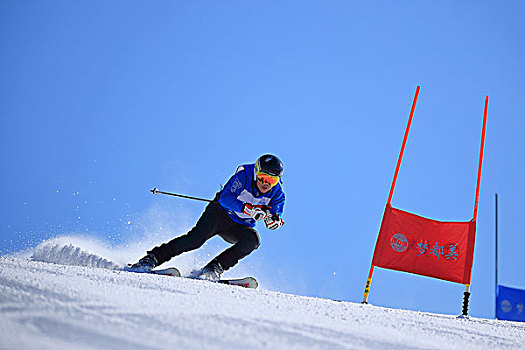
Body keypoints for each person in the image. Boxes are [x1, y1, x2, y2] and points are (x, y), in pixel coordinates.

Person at [126, 154, 285, 281]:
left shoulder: (277, 193)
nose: (266, 183)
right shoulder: (243, 176)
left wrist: (274, 221)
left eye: (272, 180)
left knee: (253, 240)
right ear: (256, 172)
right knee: (195, 240)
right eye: (263, 177)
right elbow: (225, 198)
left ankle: (213, 268)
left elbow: (275, 214)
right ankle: (151, 259)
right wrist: (246, 209)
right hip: (219, 214)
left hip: (239, 226)